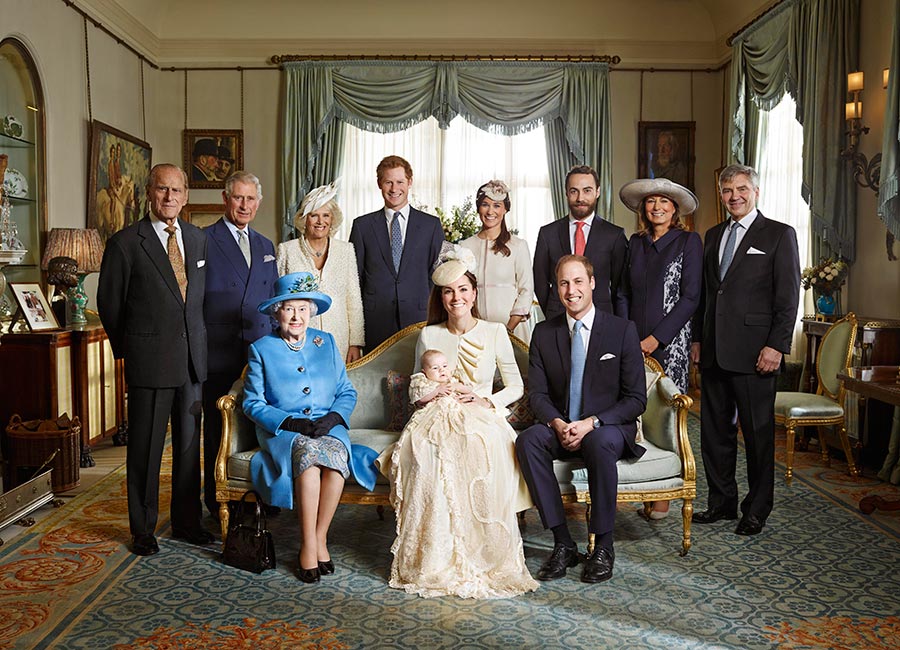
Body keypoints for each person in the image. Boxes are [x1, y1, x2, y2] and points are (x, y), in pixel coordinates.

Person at [377, 246, 537, 599]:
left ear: (474, 293)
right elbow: (416, 384)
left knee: (479, 448)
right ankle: (436, 557)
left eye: (463, 289)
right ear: (440, 297)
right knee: (429, 453)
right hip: (437, 413)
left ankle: (483, 556)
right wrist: (431, 393)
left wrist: (486, 400)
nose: (456, 297)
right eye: (448, 291)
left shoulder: (495, 332)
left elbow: (515, 386)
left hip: (482, 414)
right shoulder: (429, 334)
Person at [98, 163, 212, 556]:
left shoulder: (197, 239)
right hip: (150, 362)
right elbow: (110, 305)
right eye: (162, 189)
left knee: (188, 449)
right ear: (149, 192)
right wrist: (132, 350)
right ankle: (143, 529)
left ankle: (187, 522)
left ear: (185, 196)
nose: (169, 197)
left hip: (192, 362)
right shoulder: (126, 243)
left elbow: (197, 301)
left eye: (176, 190)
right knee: (145, 450)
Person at [516, 255, 646, 584]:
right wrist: (558, 424)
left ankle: (603, 546)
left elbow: (636, 399)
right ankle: (563, 543)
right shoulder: (544, 333)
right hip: (563, 425)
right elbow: (538, 395)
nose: (571, 290)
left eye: (577, 281)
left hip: (606, 427)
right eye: (563, 283)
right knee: (528, 440)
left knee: (599, 442)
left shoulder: (622, 330)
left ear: (592, 283)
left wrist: (592, 423)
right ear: (556, 288)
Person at [243, 272, 378, 583]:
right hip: (285, 429)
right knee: (309, 460)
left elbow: (346, 391)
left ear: (311, 312)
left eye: (303, 309)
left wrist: (333, 419)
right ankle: (307, 544)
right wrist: (289, 422)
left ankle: (319, 538)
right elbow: (252, 403)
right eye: (289, 308)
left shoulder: (325, 343)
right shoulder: (262, 349)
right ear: (276, 312)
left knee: (335, 460)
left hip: (327, 424)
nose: (296, 316)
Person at [690, 164, 800, 537]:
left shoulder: (779, 234)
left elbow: (788, 297)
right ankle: (721, 502)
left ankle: (756, 509)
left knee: (757, 435)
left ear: (755, 192)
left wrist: (776, 346)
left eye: (741, 189)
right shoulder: (712, 235)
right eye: (727, 190)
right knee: (714, 434)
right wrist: (698, 339)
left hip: (756, 354)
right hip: (714, 350)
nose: (734, 196)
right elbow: (707, 294)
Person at [618, 178, 702, 519]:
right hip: (633, 342)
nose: (657, 207)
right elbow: (623, 293)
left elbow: (691, 297)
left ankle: (664, 493)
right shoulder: (635, 243)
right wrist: (628, 336)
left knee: (666, 415)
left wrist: (656, 339)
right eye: (651, 201)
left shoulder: (688, 241)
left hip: (671, 343)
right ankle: (644, 482)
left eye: (664, 201)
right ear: (643, 208)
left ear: (675, 208)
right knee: (636, 411)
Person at [202, 170, 278, 517]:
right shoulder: (204, 239)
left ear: (258, 203)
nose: (244, 205)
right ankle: (218, 498)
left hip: (260, 350)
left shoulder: (265, 245)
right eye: (238, 197)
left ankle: (261, 497)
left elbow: (274, 300)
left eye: (251, 199)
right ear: (225, 199)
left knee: (259, 426)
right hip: (219, 350)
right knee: (219, 429)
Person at [349, 155, 444, 350]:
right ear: (379, 184)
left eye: (400, 182)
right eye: (388, 182)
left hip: (420, 319)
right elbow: (354, 281)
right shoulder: (362, 226)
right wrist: (355, 339)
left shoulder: (431, 225)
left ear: (410, 182)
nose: (394, 189)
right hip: (375, 322)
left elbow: (438, 276)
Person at [277, 182, 365, 363]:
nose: (320, 221)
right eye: (314, 215)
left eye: (326, 215)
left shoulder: (346, 250)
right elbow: (278, 300)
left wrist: (355, 343)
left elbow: (354, 299)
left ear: (332, 220)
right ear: (304, 219)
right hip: (297, 338)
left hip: (339, 340)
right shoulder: (287, 250)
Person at [533, 165, 627, 321]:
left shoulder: (614, 235)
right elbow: (540, 281)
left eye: (587, 190)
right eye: (574, 191)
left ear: (597, 192)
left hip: (601, 318)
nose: (580, 198)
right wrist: (553, 311)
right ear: (566, 193)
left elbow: (619, 287)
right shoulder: (547, 233)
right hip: (558, 317)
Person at [460, 180, 534, 343]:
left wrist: (509, 329)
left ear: (505, 209)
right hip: (475, 331)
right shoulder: (465, 246)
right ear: (478, 208)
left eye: (497, 205)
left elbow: (526, 290)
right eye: (485, 204)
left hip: (511, 329)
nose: (490, 211)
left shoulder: (518, 246)